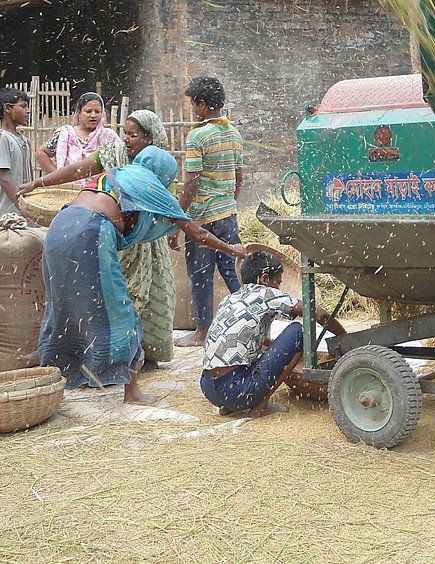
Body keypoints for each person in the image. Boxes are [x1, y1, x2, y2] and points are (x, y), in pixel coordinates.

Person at [21, 146, 246, 404]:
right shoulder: (150, 186)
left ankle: (55, 376)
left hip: (59, 228)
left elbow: (77, 177)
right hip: (91, 233)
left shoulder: (116, 174)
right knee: (120, 310)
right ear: (162, 174)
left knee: (63, 308)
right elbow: (199, 234)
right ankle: (132, 393)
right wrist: (232, 249)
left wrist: (36, 183)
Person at [21, 109, 177, 368]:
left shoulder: (161, 165)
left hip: (147, 241)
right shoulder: (113, 154)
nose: (126, 139)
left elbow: (168, 207)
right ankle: (109, 356)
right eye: (125, 133)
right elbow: (77, 170)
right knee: (113, 298)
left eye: (133, 135)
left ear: (149, 138)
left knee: (151, 294)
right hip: (111, 237)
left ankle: (144, 354)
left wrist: (174, 232)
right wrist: (40, 183)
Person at [200, 251, 345, 418]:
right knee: (298, 332)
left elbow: (251, 338)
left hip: (208, 388)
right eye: (277, 282)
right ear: (264, 279)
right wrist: (345, 338)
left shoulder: (230, 299)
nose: (278, 288)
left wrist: (280, 349)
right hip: (238, 390)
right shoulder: (266, 294)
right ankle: (261, 405)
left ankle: (228, 406)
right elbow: (320, 315)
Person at [175, 77, 245, 348]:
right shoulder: (234, 133)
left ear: (202, 105)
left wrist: (179, 217)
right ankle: (249, 322)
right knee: (230, 270)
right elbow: (239, 176)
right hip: (228, 215)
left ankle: (202, 331)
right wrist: (229, 202)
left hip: (203, 217)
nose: (192, 110)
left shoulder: (198, 136)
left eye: (193, 104)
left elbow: (191, 182)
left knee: (201, 275)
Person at [35, 91, 119, 174]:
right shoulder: (66, 135)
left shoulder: (109, 136)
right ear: (79, 112)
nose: (93, 115)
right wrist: (57, 176)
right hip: (70, 183)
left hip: (100, 183)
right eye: (88, 111)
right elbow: (41, 153)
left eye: (97, 112)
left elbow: (121, 158)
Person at [0, 88, 32, 219]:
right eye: (23, 106)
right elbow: (4, 179)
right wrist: (24, 211)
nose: (28, 110)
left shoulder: (24, 141)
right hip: (9, 217)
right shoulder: (2, 138)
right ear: (7, 108)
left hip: (26, 214)